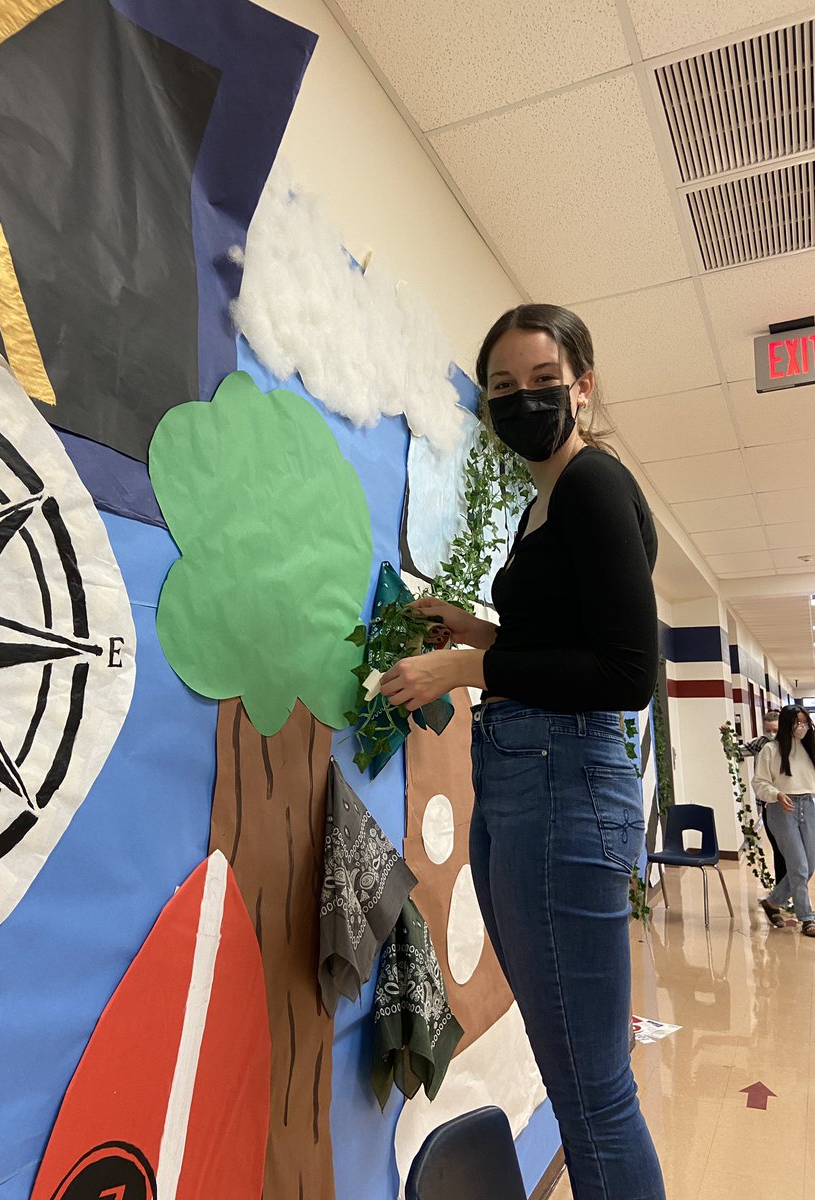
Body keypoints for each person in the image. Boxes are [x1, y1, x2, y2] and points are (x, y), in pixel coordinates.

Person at [379, 304, 665, 1199]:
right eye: (503, 388)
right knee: (574, 1068)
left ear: (583, 384)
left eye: (544, 382)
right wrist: (480, 627)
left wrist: (470, 661)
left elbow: (625, 671)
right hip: (528, 778)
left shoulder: (590, 483)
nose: (524, 400)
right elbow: (564, 643)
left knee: (590, 1089)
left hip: (561, 781)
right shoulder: (548, 499)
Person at [754, 705, 815, 936]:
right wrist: (777, 795)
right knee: (798, 866)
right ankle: (807, 918)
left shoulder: (810, 747)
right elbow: (759, 783)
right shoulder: (770, 750)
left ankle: (772, 903)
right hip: (782, 808)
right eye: (797, 723)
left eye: (805, 723)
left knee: (808, 866)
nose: (801, 728)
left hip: (808, 806)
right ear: (787, 724)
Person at [738, 710, 786, 892]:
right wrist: (726, 736)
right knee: (777, 847)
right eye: (768, 730)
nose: (771, 734)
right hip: (767, 803)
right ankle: (781, 889)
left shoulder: (790, 745)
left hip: (788, 802)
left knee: (790, 850)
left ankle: (789, 889)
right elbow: (737, 751)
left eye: (775, 730)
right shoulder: (760, 743)